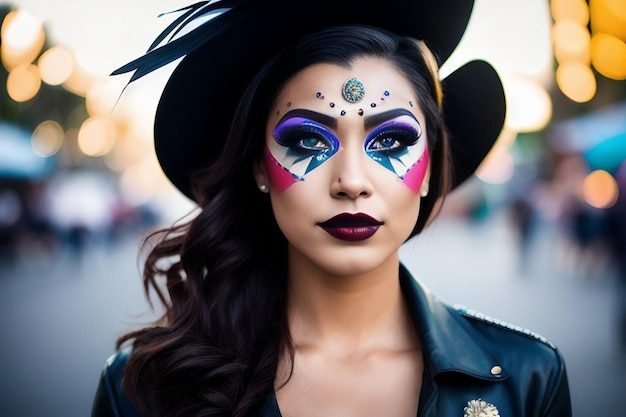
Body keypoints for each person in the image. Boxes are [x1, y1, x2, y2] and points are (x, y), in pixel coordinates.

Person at [92, 1, 572, 416]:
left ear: (428, 168)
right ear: (259, 167)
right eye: (307, 139)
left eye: (391, 140)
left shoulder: (527, 379)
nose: (351, 182)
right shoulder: (145, 389)